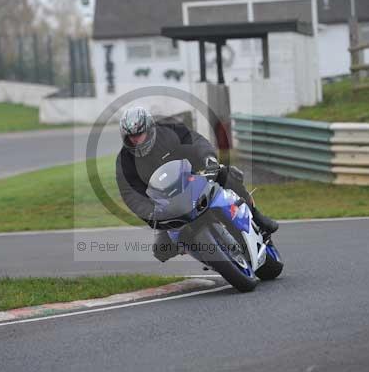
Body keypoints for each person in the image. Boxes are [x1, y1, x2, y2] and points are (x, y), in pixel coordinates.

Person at [115, 106, 278, 262]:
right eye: (132, 137)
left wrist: (208, 158)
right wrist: (149, 213)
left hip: (195, 178)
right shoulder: (124, 161)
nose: (136, 140)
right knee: (161, 251)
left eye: (140, 134)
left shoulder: (169, 130)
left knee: (226, 175)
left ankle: (257, 216)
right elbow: (130, 193)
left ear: (150, 129)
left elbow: (195, 140)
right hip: (167, 205)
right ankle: (207, 255)